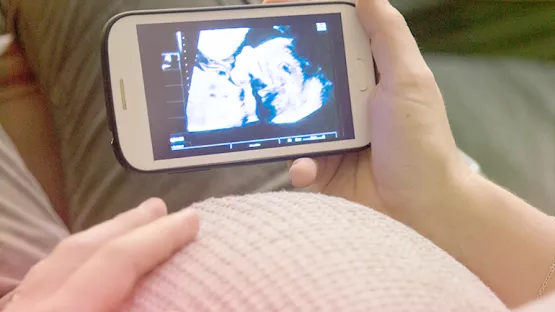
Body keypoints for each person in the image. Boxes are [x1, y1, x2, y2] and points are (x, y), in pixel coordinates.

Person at [1, 0, 554, 312]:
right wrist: (443, 199)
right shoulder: (218, 71)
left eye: (272, 93)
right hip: (380, 222)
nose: (263, 86)